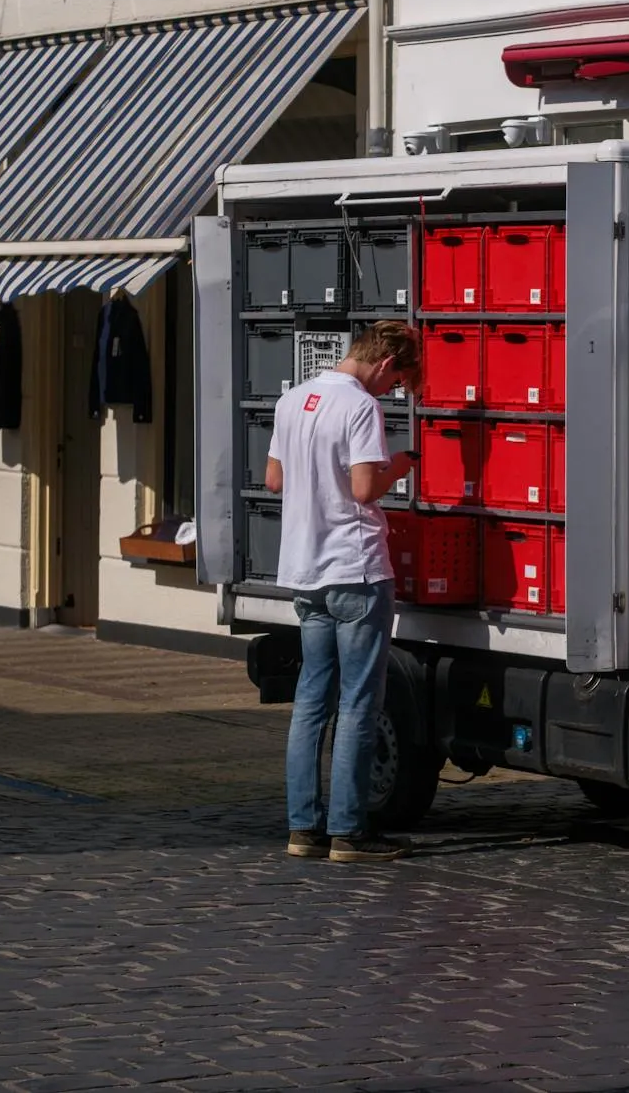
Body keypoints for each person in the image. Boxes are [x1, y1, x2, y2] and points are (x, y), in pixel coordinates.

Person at [265, 321, 422, 862]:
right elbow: (363, 488)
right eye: (397, 378)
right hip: (355, 569)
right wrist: (397, 466)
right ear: (384, 362)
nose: (392, 388)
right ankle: (349, 832)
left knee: (311, 701)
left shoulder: (292, 399)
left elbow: (274, 481)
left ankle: (302, 828)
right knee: (359, 703)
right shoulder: (360, 408)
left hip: (305, 572)